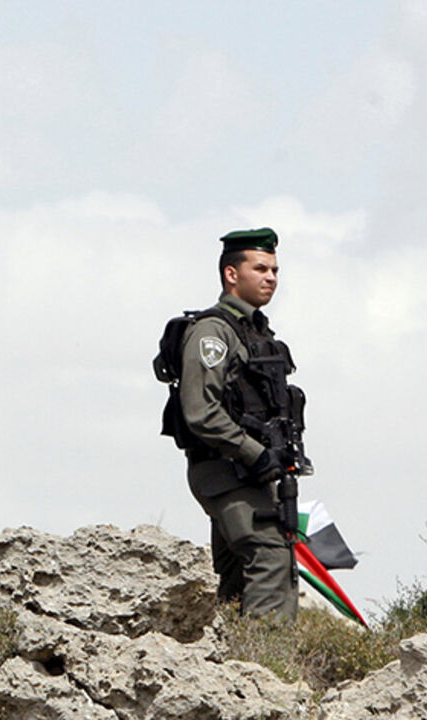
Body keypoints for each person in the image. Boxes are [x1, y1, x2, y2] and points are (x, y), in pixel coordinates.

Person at [179, 227, 300, 620]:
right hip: (226, 470)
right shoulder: (213, 333)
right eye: (261, 268)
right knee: (270, 555)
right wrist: (255, 453)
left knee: (237, 576)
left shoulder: (256, 333)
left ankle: (231, 661)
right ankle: (268, 664)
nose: (271, 278)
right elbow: (201, 411)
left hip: (249, 473)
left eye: (275, 270)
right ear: (232, 275)